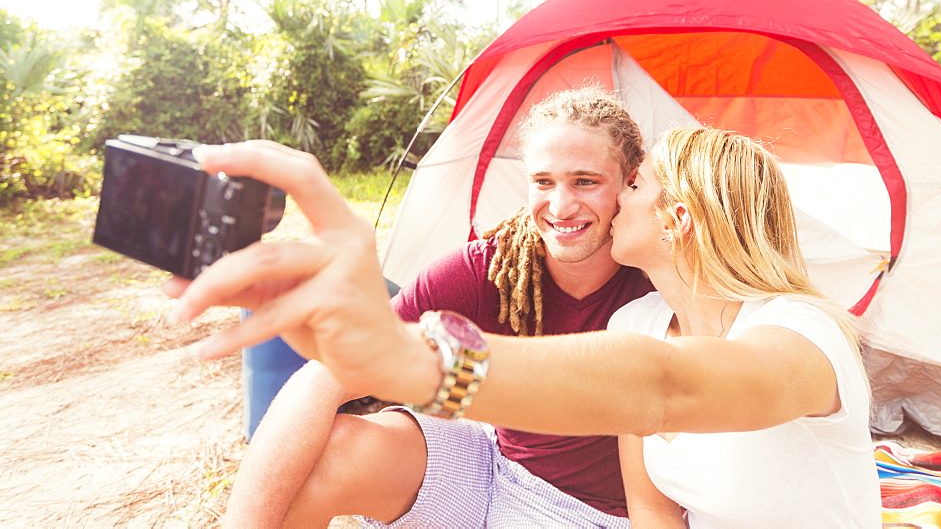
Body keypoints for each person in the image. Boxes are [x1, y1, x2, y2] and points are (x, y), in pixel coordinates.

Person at [169, 127, 881, 528]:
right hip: (503, 483)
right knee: (340, 450)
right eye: (544, 181)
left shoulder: (805, 335)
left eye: (630, 185)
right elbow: (655, 510)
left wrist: (418, 363)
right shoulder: (642, 316)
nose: (575, 205)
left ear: (679, 218)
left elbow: (664, 387)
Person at [212, 87, 654, 528]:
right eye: (543, 182)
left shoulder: (665, 275)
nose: (560, 206)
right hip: (493, 467)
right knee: (335, 451)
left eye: (585, 181)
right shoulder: (492, 269)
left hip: (604, 513)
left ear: (630, 180)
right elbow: (324, 377)